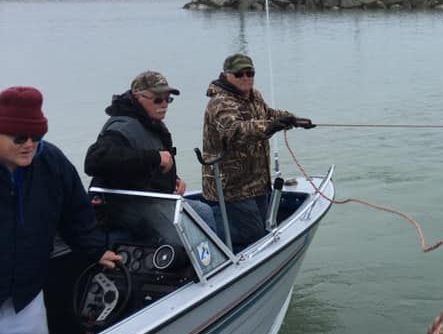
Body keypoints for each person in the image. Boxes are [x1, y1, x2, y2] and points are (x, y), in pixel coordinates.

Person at [0, 86, 121, 334]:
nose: (29, 145)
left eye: (37, 136)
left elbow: (76, 212)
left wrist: (95, 249)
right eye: (19, 138)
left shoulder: (51, 161)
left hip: (26, 300)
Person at [84, 71, 222, 237]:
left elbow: (145, 163)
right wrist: (155, 157)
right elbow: (95, 160)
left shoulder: (150, 123)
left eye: (168, 99)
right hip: (130, 211)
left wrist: (173, 180)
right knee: (203, 212)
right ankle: (214, 262)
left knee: (202, 210)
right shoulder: (121, 127)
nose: (164, 104)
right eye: (158, 99)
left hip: (149, 203)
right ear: (137, 97)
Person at [202, 53, 314, 250]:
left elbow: (268, 115)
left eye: (250, 73)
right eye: (239, 74)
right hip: (232, 188)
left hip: (258, 183)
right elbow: (236, 130)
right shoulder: (219, 103)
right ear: (226, 75)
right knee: (251, 234)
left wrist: (293, 120)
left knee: (261, 231)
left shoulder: (254, 96)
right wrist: (271, 126)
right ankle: (208, 239)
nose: (246, 77)